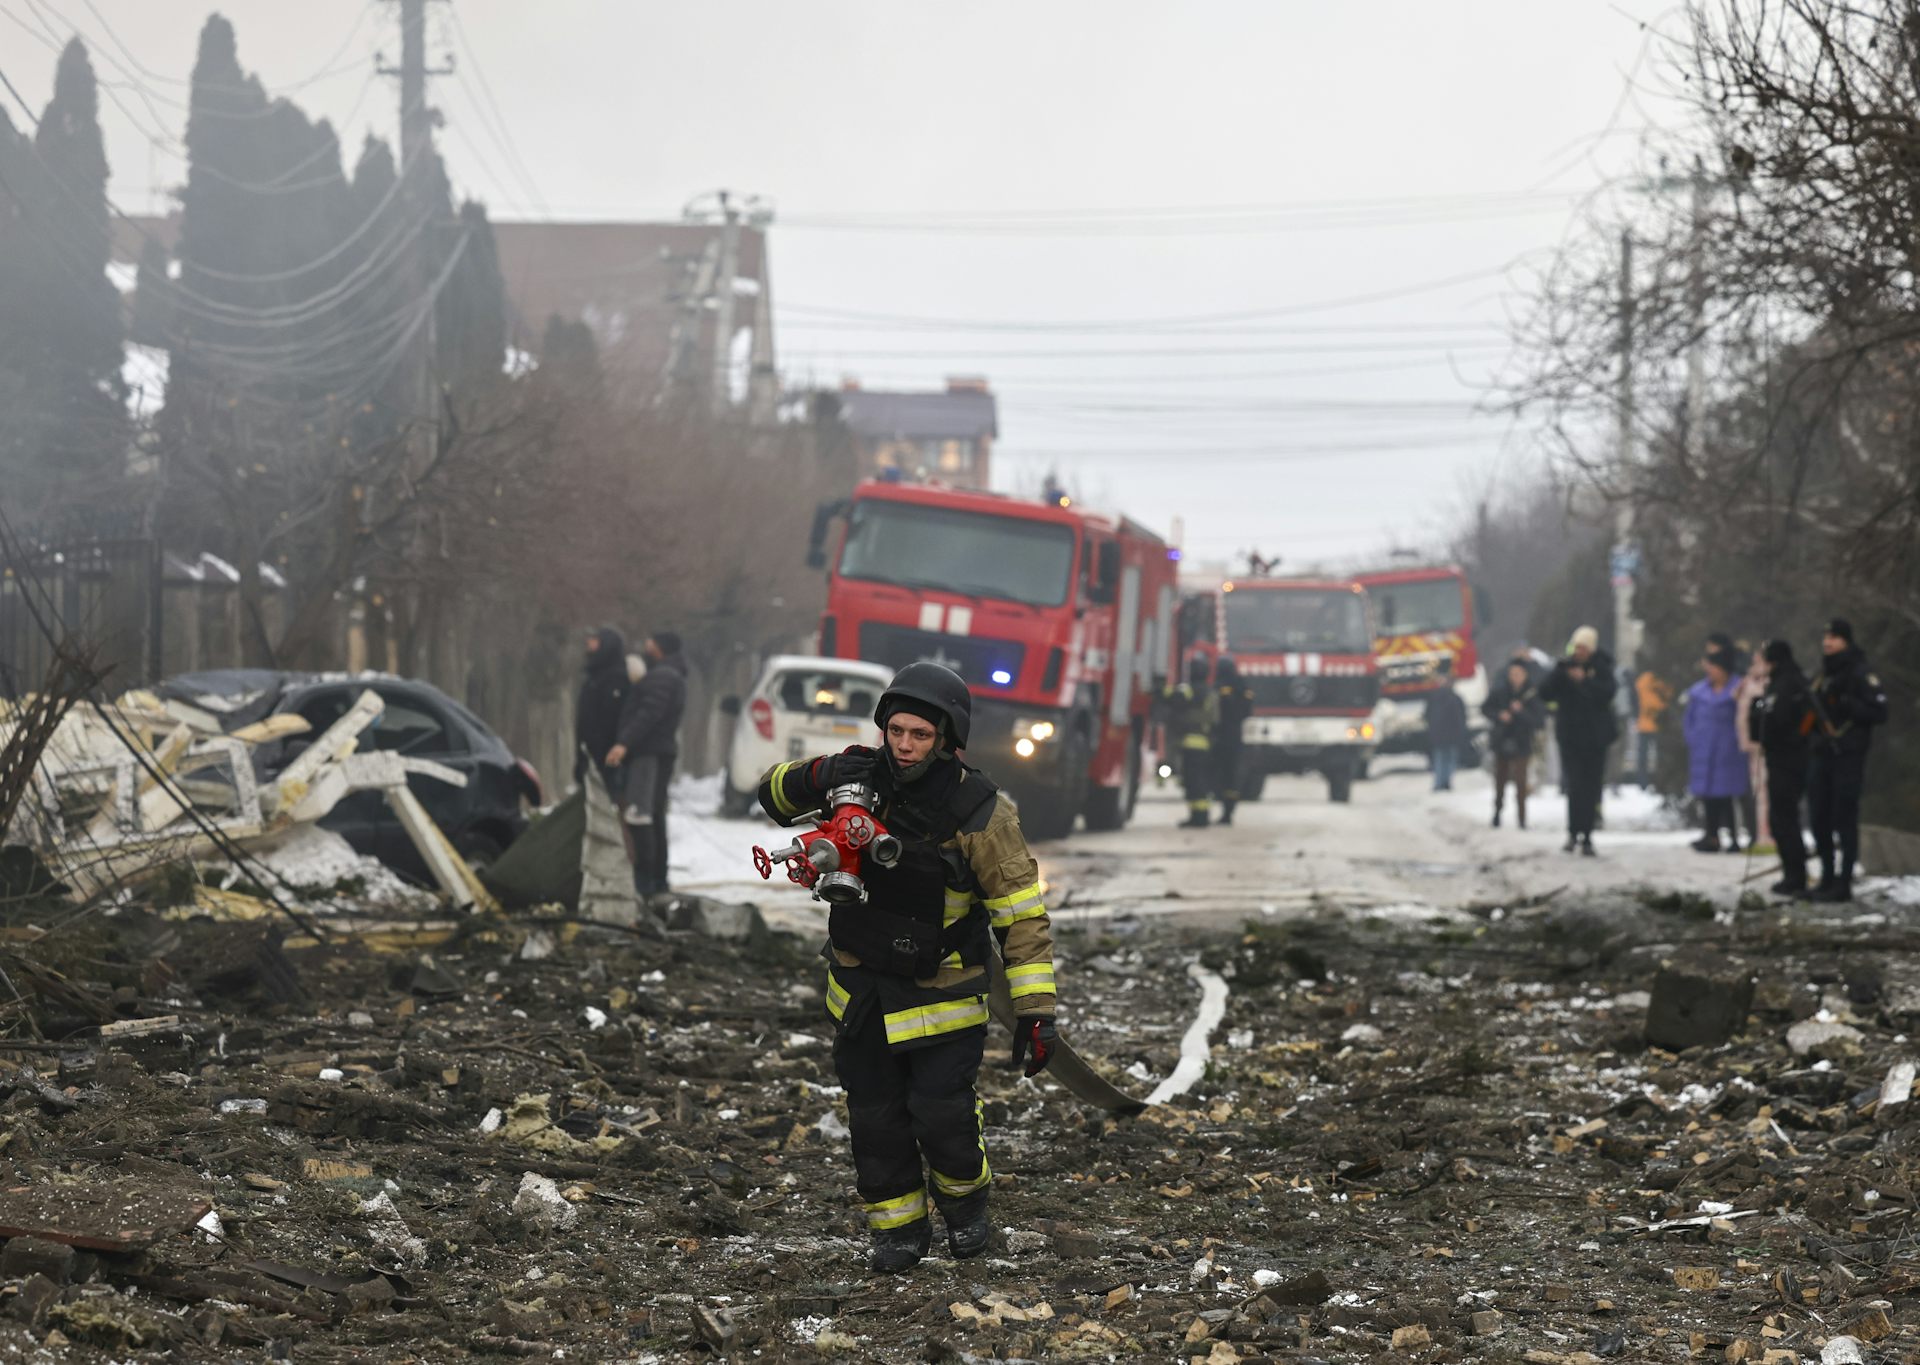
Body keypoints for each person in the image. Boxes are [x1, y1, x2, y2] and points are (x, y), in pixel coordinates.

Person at [757, 663, 1057, 1274]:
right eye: (896, 731)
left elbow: (1021, 917)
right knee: (875, 1119)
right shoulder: (855, 779)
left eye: (920, 734)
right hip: (861, 990)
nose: (904, 745)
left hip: (943, 996)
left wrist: (1036, 1013)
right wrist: (821, 774)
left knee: (943, 1117)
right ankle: (897, 1232)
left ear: (945, 738)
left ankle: (966, 1208)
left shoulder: (981, 813)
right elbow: (771, 794)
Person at [1806, 618, 1890, 902]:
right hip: (1822, 752)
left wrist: (1847, 704)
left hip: (1848, 753)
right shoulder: (1823, 674)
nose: (1827, 642)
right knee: (1819, 816)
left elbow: (1879, 712)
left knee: (1844, 816)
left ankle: (1843, 882)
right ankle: (1827, 877)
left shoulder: (1859, 672)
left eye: (1834, 637)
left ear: (1846, 640)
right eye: (1826, 636)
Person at [606, 630, 688, 897]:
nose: (645, 647)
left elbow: (649, 712)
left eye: (649, 644)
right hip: (655, 752)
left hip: (648, 754)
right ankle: (657, 880)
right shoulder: (669, 675)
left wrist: (624, 742)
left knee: (640, 815)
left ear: (659, 648)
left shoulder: (662, 677)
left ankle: (646, 881)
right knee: (652, 814)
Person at [1539, 625, 1617, 856]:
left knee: (1592, 786)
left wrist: (1584, 681)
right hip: (1570, 737)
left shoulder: (1602, 667)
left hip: (1595, 738)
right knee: (1574, 786)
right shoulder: (1564, 667)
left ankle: (1588, 835)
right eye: (1577, 647)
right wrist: (1561, 673)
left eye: (1583, 648)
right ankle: (1573, 832)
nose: (1579, 651)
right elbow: (1545, 692)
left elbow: (1607, 693)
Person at [1751, 639, 1813, 896]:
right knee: (1782, 818)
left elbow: (1778, 723)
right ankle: (1792, 873)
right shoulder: (1786, 682)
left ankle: (1795, 875)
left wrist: (1760, 712)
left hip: (1788, 759)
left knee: (1784, 818)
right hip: (1784, 757)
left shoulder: (1786, 685)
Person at [1683, 644, 1752, 852]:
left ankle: (1734, 837)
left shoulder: (1738, 690)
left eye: (1713, 667)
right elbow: (1689, 719)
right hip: (1704, 750)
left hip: (1729, 750)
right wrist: (1693, 738)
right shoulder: (1699, 692)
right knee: (1708, 795)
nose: (1710, 671)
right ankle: (1711, 835)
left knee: (1728, 795)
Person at [1483, 658, 1544, 829]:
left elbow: (1538, 720)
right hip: (1502, 740)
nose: (1515, 677)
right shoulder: (1500, 691)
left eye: (1518, 674)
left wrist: (1520, 712)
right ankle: (1497, 812)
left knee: (1521, 781)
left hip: (1522, 741)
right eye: (1512, 674)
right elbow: (1486, 708)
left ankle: (1522, 817)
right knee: (1500, 780)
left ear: (1525, 675)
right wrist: (1500, 715)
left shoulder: (1532, 694)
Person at [1163, 656, 1218, 828]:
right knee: (1199, 780)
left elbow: (1172, 699)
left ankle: (1199, 818)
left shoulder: (1189, 690)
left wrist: (1162, 688)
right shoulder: (1211, 693)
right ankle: (1199, 815)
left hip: (1189, 743)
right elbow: (1215, 719)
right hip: (1205, 743)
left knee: (1193, 782)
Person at [573, 626, 629, 794]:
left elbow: (612, 719)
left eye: (595, 640)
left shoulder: (617, 678)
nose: (589, 643)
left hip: (607, 755)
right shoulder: (594, 676)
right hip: (589, 752)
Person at [1734, 648, 1772, 852]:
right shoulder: (1749, 682)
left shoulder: (1768, 684)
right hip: (1751, 746)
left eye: (1760, 661)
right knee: (1758, 793)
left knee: (1766, 794)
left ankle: (1767, 835)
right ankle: (1761, 835)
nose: (1755, 666)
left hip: (1765, 746)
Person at [1212, 656, 1253, 826]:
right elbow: (1247, 710)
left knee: (1218, 775)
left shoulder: (1218, 686)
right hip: (1236, 737)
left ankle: (1221, 810)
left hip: (1219, 737)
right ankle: (1228, 812)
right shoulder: (1243, 686)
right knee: (1232, 776)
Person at [1424, 658, 1469, 792]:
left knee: (1442, 759)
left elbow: (1427, 716)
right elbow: (1462, 718)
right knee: (1448, 759)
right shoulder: (1455, 698)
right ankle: (1444, 782)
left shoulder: (1434, 698)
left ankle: (1441, 782)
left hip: (1440, 735)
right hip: (1450, 735)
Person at [1634, 667, 1672, 789]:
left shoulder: (1645, 680)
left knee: (1646, 757)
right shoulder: (1657, 680)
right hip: (1651, 724)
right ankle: (1652, 782)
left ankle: (1646, 783)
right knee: (1655, 757)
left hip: (1651, 724)